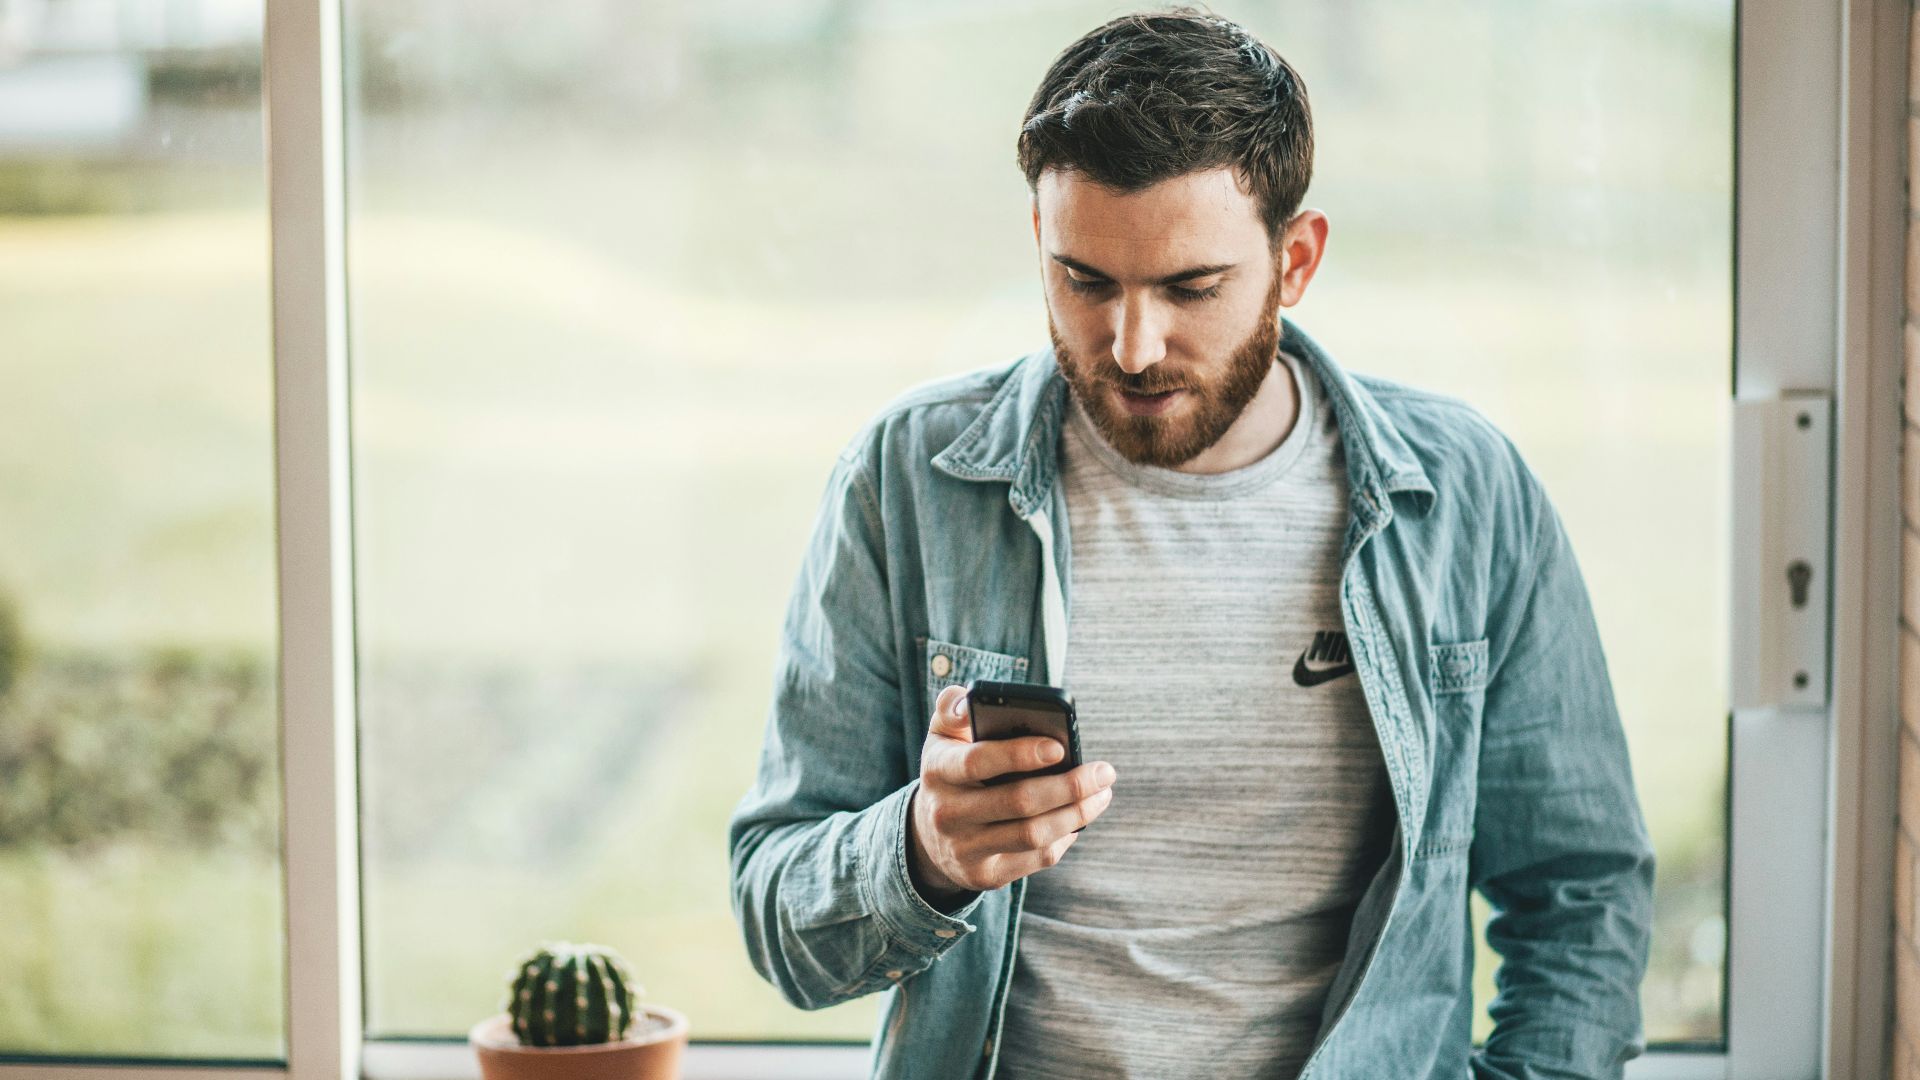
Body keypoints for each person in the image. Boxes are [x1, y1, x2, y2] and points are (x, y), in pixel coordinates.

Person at [727, 9, 1655, 1080]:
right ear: (1038, 239)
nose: (1132, 346)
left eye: (1189, 288)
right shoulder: (907, 482)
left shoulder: (1465, 498)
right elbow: (777, 915)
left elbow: (1582, 891)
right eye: (1086, 281)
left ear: (1294, 259)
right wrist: (926, 854)